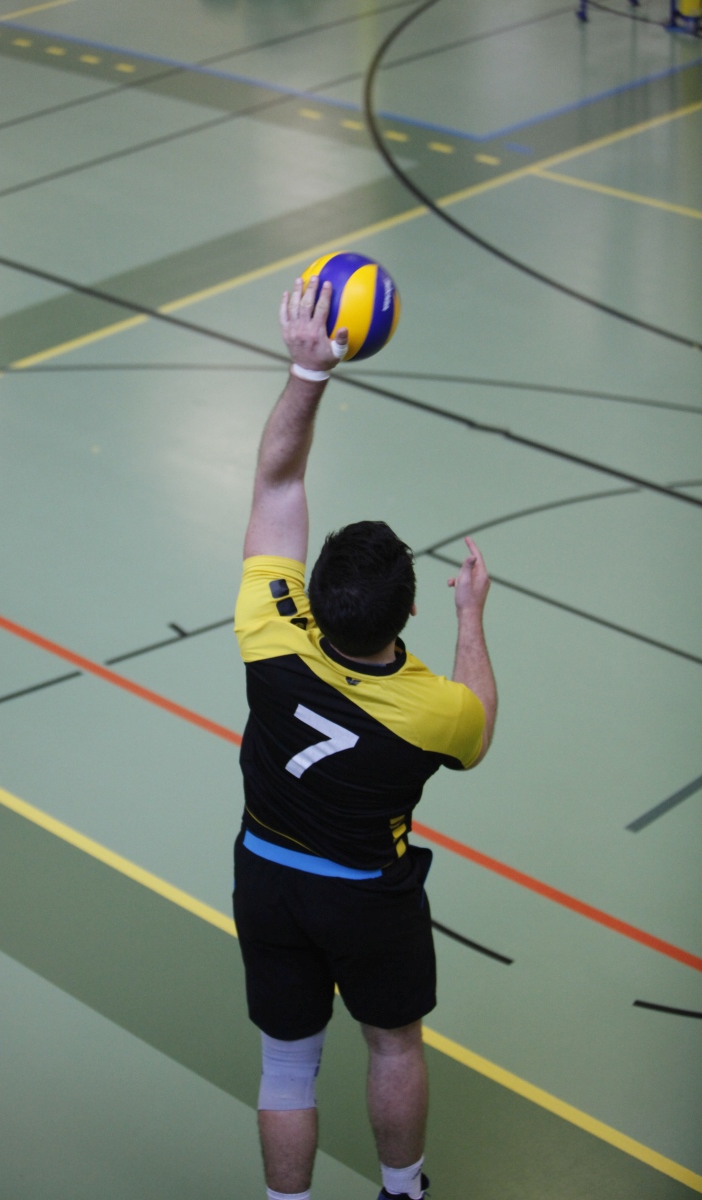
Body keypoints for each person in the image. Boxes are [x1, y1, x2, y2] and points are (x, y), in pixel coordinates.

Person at [232, 275, 497, 1200]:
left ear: (311, 597)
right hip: (365, 898)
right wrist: (472, 620)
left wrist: (308, 373)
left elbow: (277, 481)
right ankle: (401, 1189)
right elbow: (478, 726)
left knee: (286, 1064)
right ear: (408, 612)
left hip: (267, 875)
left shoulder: (270, 631)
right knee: (392, 1044)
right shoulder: (433, 712)